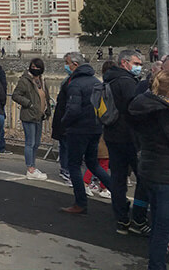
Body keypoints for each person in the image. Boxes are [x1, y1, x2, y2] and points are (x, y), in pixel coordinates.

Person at [129, 66, 169, 270]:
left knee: (158, 224)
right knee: (163, 230)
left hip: (150, 172)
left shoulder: (147, 108)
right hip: (167, 178)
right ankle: (156, 266)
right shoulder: (167, 115)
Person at [104, 50, 151, 235]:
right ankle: (139, 218)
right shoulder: (127, 82)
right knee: (143, 178)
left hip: (111, 135)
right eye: (136, 63)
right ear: (125, 62)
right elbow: (136, 110)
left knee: (118, 179)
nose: (139, 66)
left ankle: (121, 218)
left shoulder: (109, 79)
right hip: (130, 138)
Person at [59, 51, 112, 214]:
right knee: (93, 163)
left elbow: (73, 109)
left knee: (74, 165)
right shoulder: (96, 81)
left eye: (67, 62)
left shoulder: (75, 84)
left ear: (75, 64)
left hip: (79, 129)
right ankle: (117, 192)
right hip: (95, 128)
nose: (66, 66)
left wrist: (64, 123)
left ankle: (80, 202)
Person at [11, 58, 51, 179]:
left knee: (36, 143)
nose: (34, 69)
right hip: (29, 114)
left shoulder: (42, 81)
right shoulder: (24, 81)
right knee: (30, 142)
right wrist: (28, 104)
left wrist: (47, 110)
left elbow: (46, 97)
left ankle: (33, 165)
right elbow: (15, 95)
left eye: (37, 67)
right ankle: (30, 168)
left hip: (39, 116)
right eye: (32, 66)